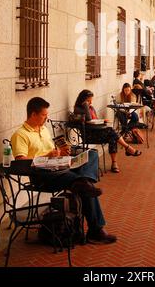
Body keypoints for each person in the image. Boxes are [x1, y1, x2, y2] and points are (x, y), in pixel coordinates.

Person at [10, 97, 117, 244]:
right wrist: (47, 156)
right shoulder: (20, 134)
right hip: (43, 176)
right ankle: (95, 230)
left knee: (91, 154)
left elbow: (52, 150)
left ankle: (82, 181)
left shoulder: (44, 129)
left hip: (59, 167)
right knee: (85, 187)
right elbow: (21, 162)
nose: (46, 118)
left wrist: (61, 152)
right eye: (43, 115)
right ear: (33, 114)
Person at [74, 90, 141, 174]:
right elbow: (88, 119)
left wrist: (102, 121)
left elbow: (94, 120)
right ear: (83, 100)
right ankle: (127, 149)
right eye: (88, 100)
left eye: (91, 100)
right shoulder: (78, 109)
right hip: (89, 135)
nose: (90, 102)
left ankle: (115, 163)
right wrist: (86, 106)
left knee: (112, 137)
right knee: (112, 132)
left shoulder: (91, 108)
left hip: (97, 131)